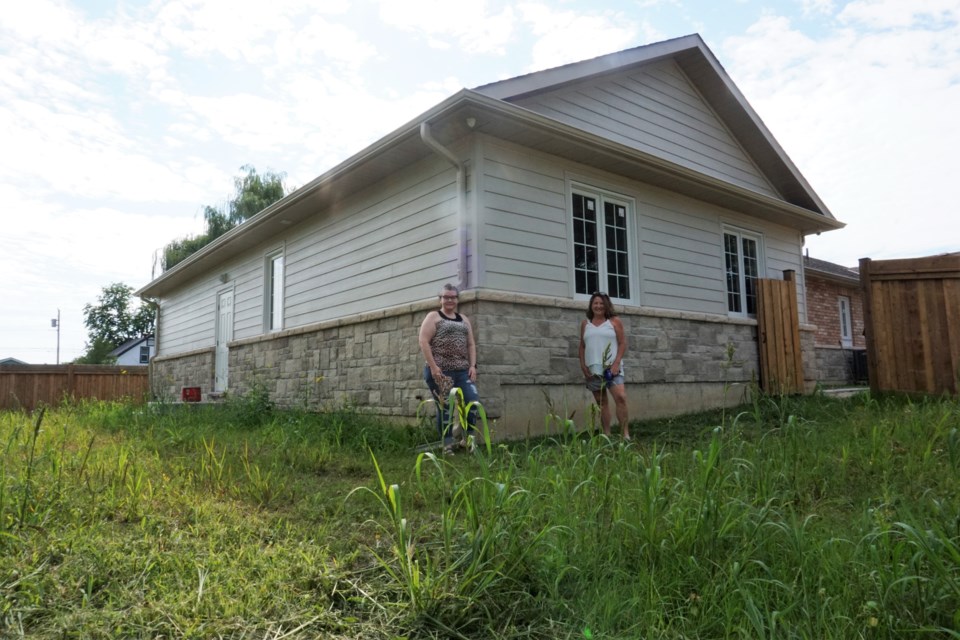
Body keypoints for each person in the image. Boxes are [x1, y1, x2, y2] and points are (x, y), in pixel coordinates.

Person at [418, 283, 479, 453]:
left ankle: (467, 440)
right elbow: (423, 342)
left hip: (462, 371)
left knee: (472, 402)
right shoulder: (433, 317)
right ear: (441, 299)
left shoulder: (464, 319)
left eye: (453, 297)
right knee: (445, 408)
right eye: (446, 297)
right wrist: (434, 367)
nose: (449, 300)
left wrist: (473, 366)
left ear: (457, 299)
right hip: (440, 372)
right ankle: (447, 445)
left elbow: (471, 344)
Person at [579, 291, 630, 439]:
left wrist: (616, 364)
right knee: (602, 402)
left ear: (606, 305)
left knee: (620, 397)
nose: (598, 306)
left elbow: (622, 343)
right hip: (593, 369)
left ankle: (625, 434)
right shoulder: (585, 324)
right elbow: (582, 345)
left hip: (612, 369)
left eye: (601, 303)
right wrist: (583, 365)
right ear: (591, 305)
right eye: (595, 303)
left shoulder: (614, 321)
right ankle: (606, 434)